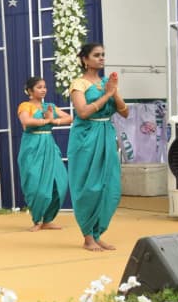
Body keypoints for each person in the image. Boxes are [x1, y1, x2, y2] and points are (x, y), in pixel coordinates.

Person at [68, 42, 129, 252]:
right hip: (86, 138)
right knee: (89, 187)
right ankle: (88, 237)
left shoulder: (106, 82)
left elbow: (125, 113)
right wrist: (107, 94)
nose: (101, 58)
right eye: (96, 55)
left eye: (103, 55)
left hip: (105, 135)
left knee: (110, 187)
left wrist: (114, 91)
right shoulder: (79, 84)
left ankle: (97, 233)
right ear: (85, 60)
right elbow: (83, 112)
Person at [17, 76, 72, 231]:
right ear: (30, 91)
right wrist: (47, 121)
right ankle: (37, 220)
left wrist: (54, 121)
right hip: (32, 147)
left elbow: (69, 118)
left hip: (49, 146)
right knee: (36, 185)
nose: (43, 90)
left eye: (44, 87)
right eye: (39, 87)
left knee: (59, 183)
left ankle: (48, 220)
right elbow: (26, 122)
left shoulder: (50, 106)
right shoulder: (25, 106)